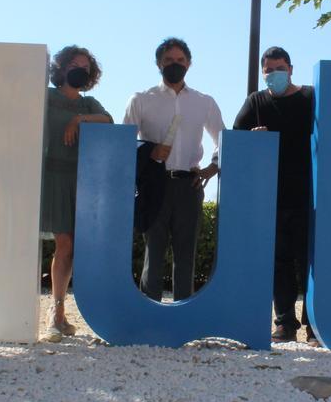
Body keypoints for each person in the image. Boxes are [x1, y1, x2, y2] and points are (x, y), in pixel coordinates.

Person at [124, 37, 224, 302]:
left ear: (189, 64)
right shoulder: (141, 99)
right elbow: (124, 143)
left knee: (186, 254)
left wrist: (212, 168)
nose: (174, 65)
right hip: (153, 184)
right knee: (153, 253)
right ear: (158, 63)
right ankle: (149, 314)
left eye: (180, 60)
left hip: (189, 185)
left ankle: (183, 314)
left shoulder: (205, 102)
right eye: (168, 60)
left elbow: (223, 140)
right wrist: (150, 150)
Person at [233, 46, 318, 345]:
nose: (274, 75)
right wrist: (251, 141)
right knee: (279, 263)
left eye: (279, 68)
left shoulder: (311, 97)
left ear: (291, 69)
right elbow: (235, 140)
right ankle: (284, 324)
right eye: (268, 70)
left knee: (310, 262)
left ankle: (314, 327)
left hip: (309, 196)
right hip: (271, 197)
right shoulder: (255, 102)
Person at [40, 46, 113, 342]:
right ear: (62, 67)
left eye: (85, 66)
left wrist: (79, 120)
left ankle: (61, 310)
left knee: (73, 247)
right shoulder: (45, 96)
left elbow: (108, 119)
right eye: (74, 64)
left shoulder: (89, 104)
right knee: (64, 242)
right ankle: (55, 312)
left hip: (81, 179)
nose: (80, 69)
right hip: (52, 176)